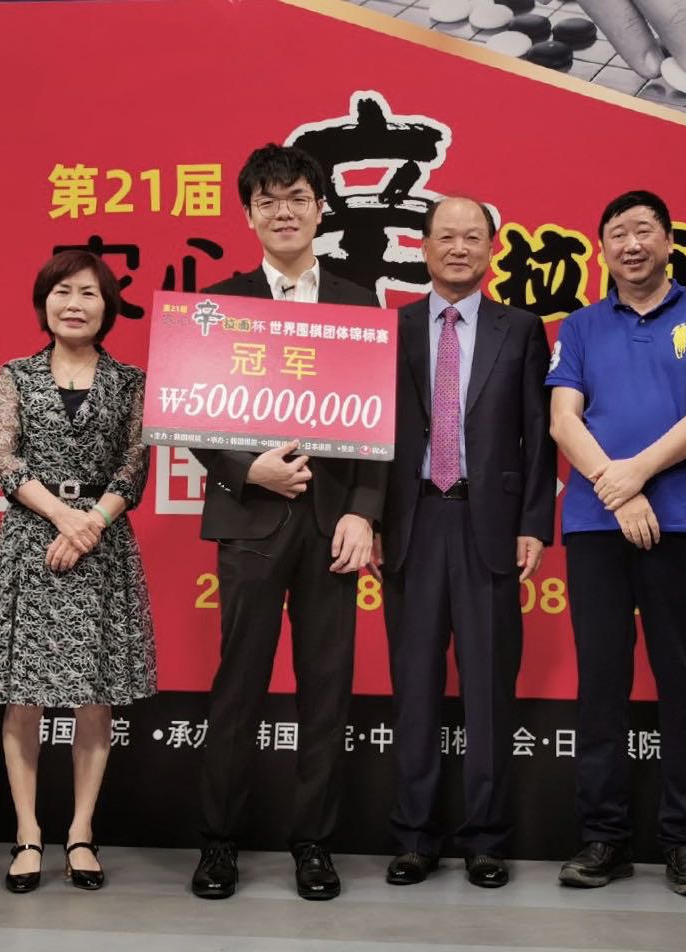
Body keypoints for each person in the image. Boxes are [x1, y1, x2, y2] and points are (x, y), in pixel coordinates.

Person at [189, 143, 386, 901]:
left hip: (334, 525)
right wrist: (248, 470)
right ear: (248, 215)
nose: (284, 212)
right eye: (268, 201)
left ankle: (313, 843)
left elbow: (381, 422)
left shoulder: (359, 300)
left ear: (320, 209)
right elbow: (194, 412)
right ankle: (218, 842)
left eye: (298, 197)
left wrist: (364, 512)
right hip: (251, 519)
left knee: (325, 691)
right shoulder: (221, 301)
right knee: (237, 686)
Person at [546, 190, 686, 898]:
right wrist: (618, 490)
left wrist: (635, 475)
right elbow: (563, 421)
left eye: (643, 231)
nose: (631, 245)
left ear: (668, 241)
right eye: (617, 234)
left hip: (683, 522)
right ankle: (603, 839)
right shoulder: (580, 325)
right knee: (601, 685)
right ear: (601, 249)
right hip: (596, 526)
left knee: (682, 685)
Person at [377, 196, 555, 889]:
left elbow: (539, 434)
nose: (459, 248)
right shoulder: (392, 328)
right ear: (423, 247)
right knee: (414, 690)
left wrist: (533, 522)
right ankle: (413, 837)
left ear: (491, 249)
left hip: (491, 526)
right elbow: (369, 431)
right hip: (413, 524)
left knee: (489, 691)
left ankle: (486, 839)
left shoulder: (522, 329)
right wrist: (370, 519)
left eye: (472, 237)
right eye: (446, 236)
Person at [0, 250, 155, 895]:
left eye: (89, 293)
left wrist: (91, 524)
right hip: (30, 539)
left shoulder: (130, 381)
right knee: (23, 695)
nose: (74, 304)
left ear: (108, 307)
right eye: (62, 291)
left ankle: (80, 832)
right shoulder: (15, 374)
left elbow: (134, 465)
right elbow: (5, 459)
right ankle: (27, 833)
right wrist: (62, 517)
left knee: (93, 696)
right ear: (43, 302)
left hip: (103, 543)